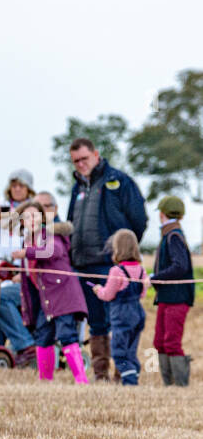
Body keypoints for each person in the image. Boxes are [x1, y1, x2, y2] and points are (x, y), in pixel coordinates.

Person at [65, 137, 147, 381]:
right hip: (83, 264)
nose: (80, 164)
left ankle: (123, 371)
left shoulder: (119, 182)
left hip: (112, 266)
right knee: (96, 321)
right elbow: (71, 222)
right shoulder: (76, 188)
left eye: (84, 159)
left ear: (96, 154)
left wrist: (124, 253)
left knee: (119, 321)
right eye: (75, 161)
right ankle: (101, 373)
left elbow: (139, 219)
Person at [13, 199, 88, 384]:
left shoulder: (50, 235)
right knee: (43, 336)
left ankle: (81, 380)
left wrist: (28, 253)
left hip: (63, 295)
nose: (32, 219)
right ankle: (45, 380)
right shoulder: (25, 242)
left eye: (36, 215)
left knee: (66, 335)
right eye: (27, 216)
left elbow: (51, 252)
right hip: (45, 299)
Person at [0, 170, 37, 364]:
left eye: (21, 185)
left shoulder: (35, 209)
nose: (17, 189)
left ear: (28, 188)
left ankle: (25, 346)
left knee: (0, 298)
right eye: (14, 185)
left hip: (24, 274)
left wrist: (25, 273)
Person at [92, 229, 148, 385]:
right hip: (138, 312)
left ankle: (129, 381)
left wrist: (98, 290)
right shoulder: (141, 269)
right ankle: (134, 374)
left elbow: (108, 295)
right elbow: (142, 294)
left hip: (122, 315)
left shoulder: (116, 271)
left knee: (119, 352)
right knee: (131, 350)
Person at [149, 196, 194, 386]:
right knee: (159, 342)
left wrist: (155, 277)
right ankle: (168, 385)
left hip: (177, 298)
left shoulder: (173, 236)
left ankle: (180, 386)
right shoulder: (171, 234)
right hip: (167, 297)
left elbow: (180, 266)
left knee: (171, 342)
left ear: (161, 214)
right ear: (181, 215)